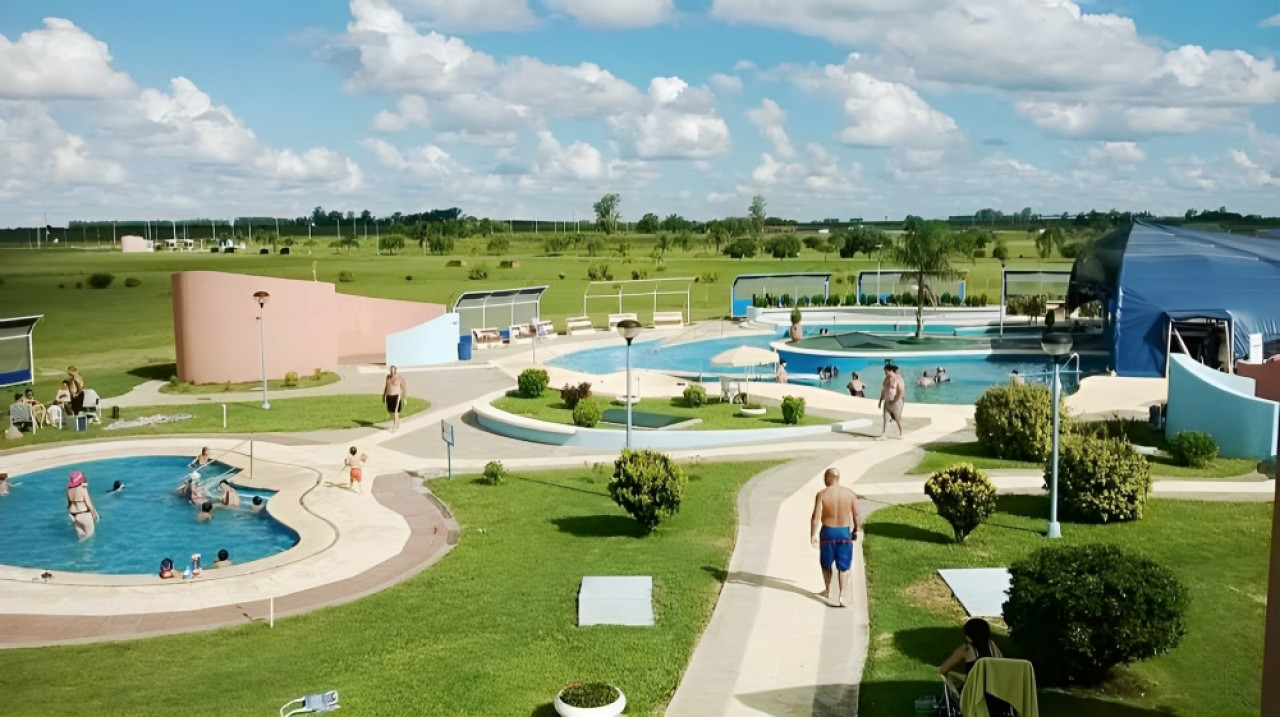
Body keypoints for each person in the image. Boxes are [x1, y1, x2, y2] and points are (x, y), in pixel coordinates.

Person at [810, 467, 861, 607]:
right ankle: (842, 595)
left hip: (828, 532)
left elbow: (816, 517)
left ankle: (827, 590)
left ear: (828, 479)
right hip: (844, 533)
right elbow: (856, 515)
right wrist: (856, 529)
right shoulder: (850, 494)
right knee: (843, 566)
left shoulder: (821, 495)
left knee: (826, 564)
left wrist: (813, 534)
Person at [938, 618, 1006, 697]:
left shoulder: (966, 649)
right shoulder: (992, 646)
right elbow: (1002, 665)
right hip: (995, 694)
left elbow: (943, 670)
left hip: (973, 696)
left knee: (949, 675)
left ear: (969, 636)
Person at [66, 471, 99, 540]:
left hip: (72, 514)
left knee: (81, 535)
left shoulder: (68, 489)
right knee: (89, 537)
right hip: (83, 513)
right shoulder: (83, 489)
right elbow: (89, 505)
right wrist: (95, 515)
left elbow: (69, 504)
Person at [877, 365, 905, 439]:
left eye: (885, 371)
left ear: (889, 370)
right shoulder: (886, 379)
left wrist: (896, 399)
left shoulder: (897, 378)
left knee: (897, 418)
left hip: (895, 402)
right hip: (887, 401)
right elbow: (883, 390)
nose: (884, 372)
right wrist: (880, 400)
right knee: (885, 418)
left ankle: (901, 433)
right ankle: (884, 435)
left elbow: (901, 390)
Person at [382, 365, 407, 432]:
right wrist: (383, 395)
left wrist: (404, 398)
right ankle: (397, 423)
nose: (392, 372)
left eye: (393, 371)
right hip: (389, 396)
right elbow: (386, 386)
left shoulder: (399, 378)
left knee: (395, 411)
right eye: (391, 371)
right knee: (390, 411)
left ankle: (395, 427)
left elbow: (403, 388)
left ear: (395, 371)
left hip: (396, 396)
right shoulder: (388, 377)